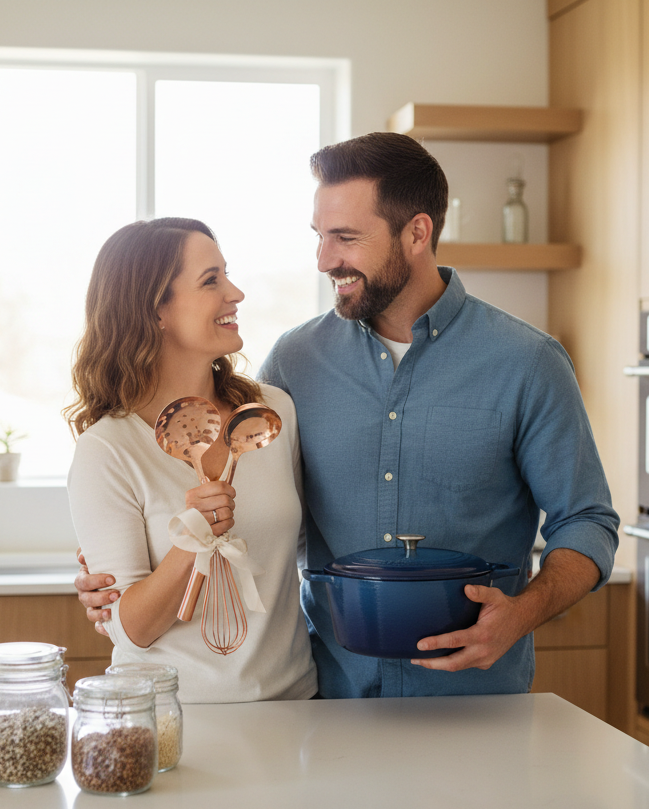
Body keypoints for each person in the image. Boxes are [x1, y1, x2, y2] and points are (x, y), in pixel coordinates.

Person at [78, 134, 619, 699]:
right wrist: (121, 575)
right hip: (327, 703)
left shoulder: (527, 362)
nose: (324, 260)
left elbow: (587, 520)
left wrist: (522, 613)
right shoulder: (293, 364)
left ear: (417, 232)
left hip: (475, 700)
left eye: (346, 238)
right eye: (319, 237)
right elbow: (248, 507)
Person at [64, 217, 316, 703]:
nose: (235, 292)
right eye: (211, 281)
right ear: (154, 310)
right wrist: (193, 537)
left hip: (295, 707)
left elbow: (303, 544)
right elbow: (130, 629)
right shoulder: (108, 449)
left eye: (227, 274)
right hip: (169, 716)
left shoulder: (269, 414)